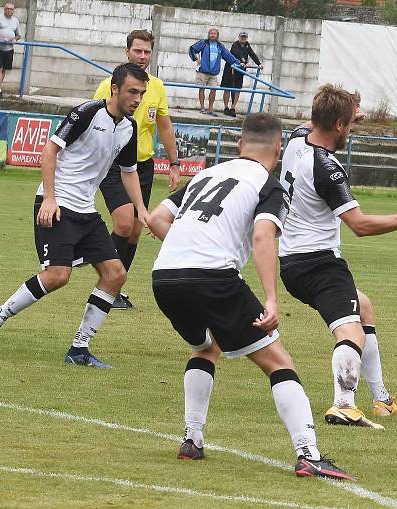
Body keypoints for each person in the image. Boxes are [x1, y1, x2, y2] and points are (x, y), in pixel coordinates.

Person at [147, 113, 353, 480]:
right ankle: (309, 454)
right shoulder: (269, 184)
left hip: (165, 276)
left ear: (239, 145)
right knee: (278, 361)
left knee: (206, 347)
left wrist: (187, 246)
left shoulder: (207, 174)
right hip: (213, 276)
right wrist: (271, 300)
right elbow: (262, 238)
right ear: (278, 148)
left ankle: (192, 439)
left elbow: (156, 218)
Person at [278, 84, 397, 429]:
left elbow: (316, 124)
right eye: (350, 125)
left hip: (292, 259)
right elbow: (360, 225)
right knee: (350, 331)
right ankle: (343, 404)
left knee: (362, 307)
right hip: (318, 262)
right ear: (338, 124)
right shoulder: (328, 169)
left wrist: (350, 111)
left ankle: (381, 399)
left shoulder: (295, 141)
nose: (352, 130)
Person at [0, 63, 149, 369]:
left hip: (85, 209)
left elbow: (129, 172)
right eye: (132, 91)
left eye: (142, 93)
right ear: (115, 89)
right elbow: (49, 151)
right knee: (58, 275)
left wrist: (142, 212)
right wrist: (49, 199)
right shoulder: (86, 113)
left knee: (116, 274)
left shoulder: (129, 128)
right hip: (56, 204)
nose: (137, 98)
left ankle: (79, 349)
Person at [93, 29, 181, 309]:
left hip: (142, 165)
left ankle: (114, 287)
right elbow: (95, 122)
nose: (142, 56)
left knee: (133, 231)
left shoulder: (157, 87)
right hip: (112, 164)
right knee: (123, 222)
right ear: (127, 52)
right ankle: (107, 277)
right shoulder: (109, 84)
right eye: (137, 51)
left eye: (147, 52)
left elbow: (164, 126)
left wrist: (174, 163)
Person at [188, 28, 241, 116]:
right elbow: (192, 49)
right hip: (203, 71)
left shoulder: (220, 46)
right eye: (211, 33)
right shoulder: (203, 43)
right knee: (202, 89)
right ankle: (202, 107)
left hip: (214, 73)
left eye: (215, 33)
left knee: (213, 90)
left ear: (217, 35)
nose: (213, 35)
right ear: (209, 34)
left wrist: (238, 63)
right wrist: (196, 59)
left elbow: (228, 56)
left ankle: (210, 108)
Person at [221, 31, 263, 118]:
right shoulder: (235, 45)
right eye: (242, 37)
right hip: (230, 68)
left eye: (244, 37)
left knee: (238, 88)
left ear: (246, 38)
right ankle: (226, 107)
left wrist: (259, 64)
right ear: (239, 37)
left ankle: (233, 107)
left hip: (240, 70)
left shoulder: (247, 45)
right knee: (227, 88)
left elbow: (252, 54)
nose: (243, 38)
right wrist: (244, 62)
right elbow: (237, 53)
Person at [0, 2, 21, 99]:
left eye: (11, 9)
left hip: (9, 49)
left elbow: (18, 35)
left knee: (4, 69)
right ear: (4, 9)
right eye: (7, 9)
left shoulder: (15, 21)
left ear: (13, 11)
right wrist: (1, 39)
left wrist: (15, 39)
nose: (9, 10)